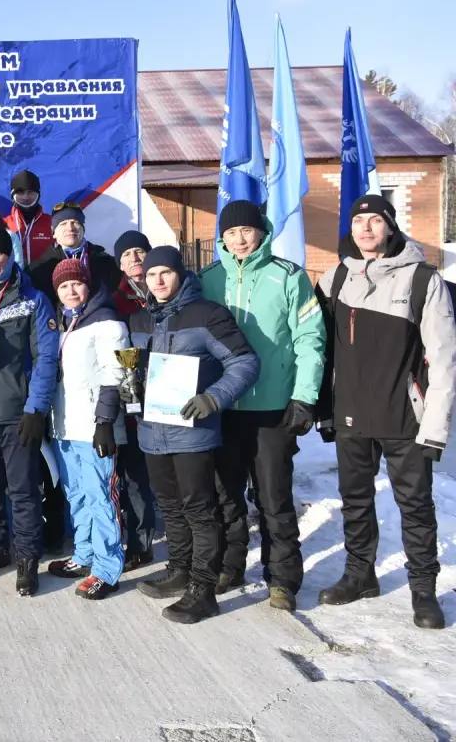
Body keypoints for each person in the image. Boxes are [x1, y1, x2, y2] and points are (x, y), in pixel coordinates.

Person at [315, 195, 455, 629]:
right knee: (355, 502)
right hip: (351, 413)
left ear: (391, 227)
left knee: (415, 506)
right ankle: (361, 575)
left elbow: (445, 357)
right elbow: (317, 348)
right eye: (359, 221)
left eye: (376, 220)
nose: (366, 228)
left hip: (404, 417)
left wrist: (436, 427)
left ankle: (423, 589)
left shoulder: (422, 280)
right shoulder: (335, 277)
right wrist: (323, 409)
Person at [200, 200, 325, 610]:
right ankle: (230, 565)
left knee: (273, 498)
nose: (239, 239)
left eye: (246, 231)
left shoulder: (288, 277)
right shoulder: (208, 280)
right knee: (226, 496)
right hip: (224, 408)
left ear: (261, 232)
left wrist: (304, 396)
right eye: (231, 232)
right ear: (222, 237)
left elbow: (310, 339)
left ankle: (282, 579)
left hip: (273, 409)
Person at [129, 246, 258, 624]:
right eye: (151, 275)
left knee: (200, 510)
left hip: (193, 432)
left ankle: (203, 590)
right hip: (152, 431)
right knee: (168, 506)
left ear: (181, 274)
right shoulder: (139, 319)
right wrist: (130, 388)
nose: (158, 281)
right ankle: (179, 570)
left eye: (165, 273)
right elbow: (133, 369)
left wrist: (213, 398)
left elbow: (244, 361)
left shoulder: (207, 315)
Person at [0, 228, 59, 596]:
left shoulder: (33, 299)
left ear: (11, 255)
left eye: (0, 253)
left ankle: (27, 558)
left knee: (23, 491)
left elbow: (47, 356)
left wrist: (36, 408)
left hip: (18, 413)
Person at [45, 259, 128, 599]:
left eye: (76, 283)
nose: (71, 290)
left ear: (88, 285)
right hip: (65, 427)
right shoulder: (64, 324)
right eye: (64, 286)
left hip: (95, 427)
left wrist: (105, 422)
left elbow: (116, 373)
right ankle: (84, 554)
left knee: (100, 497)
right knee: (77, 495)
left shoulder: (107, 322)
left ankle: (107, 569)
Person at [109, 229, 158, 570]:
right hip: (134, 402)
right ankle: (140, 543)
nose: (135, 259)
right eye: (127, 255)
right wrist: (130, 400)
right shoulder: (115, 301)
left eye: (139, 252)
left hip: (171, 398)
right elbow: (119, 352)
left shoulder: (167, 290)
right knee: (135, 478)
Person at [27, 202, 122, 296]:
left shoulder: (107, 263)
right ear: (54, 233)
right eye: (63, 224)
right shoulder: (38, 269)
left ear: (83, 229)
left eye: (75, 222)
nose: (70, 228)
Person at [5, 170, 54, 266]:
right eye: (20, 192)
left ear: (38, 195)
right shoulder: (2, 224)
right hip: (15, 279)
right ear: (12, 195)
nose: (25, 197)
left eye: (30, 192)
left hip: (45, 279)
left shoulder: (52, 222)